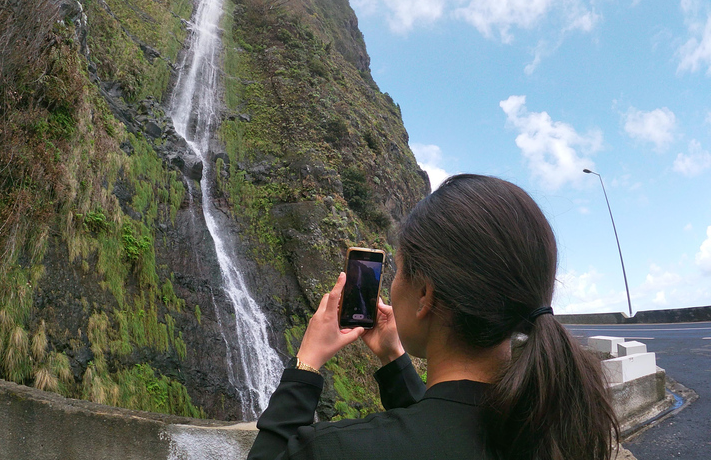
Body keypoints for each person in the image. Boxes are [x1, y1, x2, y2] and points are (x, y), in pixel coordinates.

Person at [247, 174, 619, 460]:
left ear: (424, 293)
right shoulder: (557, 426)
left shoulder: (338, 450)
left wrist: (306, 364)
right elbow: (444, 424)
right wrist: (393, 360)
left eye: (398, 271)